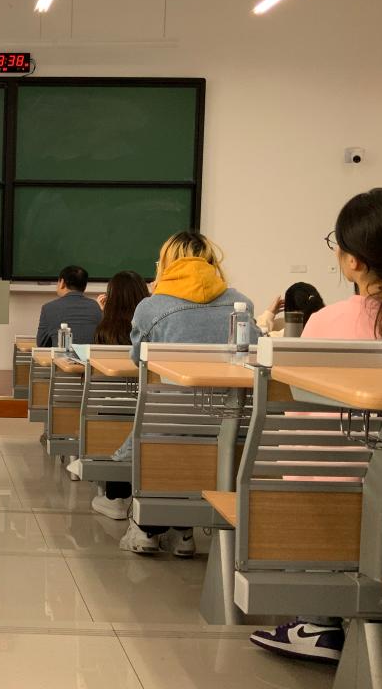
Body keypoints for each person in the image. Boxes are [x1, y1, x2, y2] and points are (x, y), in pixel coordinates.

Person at [250, 187, 382, 666]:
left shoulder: (326, 323)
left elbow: (301, 427)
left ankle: (319, 622)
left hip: (330, 503)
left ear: (353, 261)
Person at [119, 231, 260, 557]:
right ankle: (184, 531)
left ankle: (147, 528)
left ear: (167, 263)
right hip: (232, 431)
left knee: (158, 419)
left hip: (168, 432)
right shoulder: (241, 303)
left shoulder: (150, 308)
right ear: (211, 262)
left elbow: (138, 360)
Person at [86, 270, 150, 521]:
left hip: (110, 412)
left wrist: (105, 315)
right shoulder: (148, 327)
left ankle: (115, 495)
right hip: (147, 409)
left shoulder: (104, 330)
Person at [35, 265, 103, 347]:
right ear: (85, 286)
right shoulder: (97, 307)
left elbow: (41, 344)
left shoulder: (48, 308)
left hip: (61, 355)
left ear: (62, 282)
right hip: (90, 355)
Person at [255, 282, 325, 337]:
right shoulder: (327, 329)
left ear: (291, 313)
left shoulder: (284, 337)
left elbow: (256, 338)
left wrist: (269, 313)